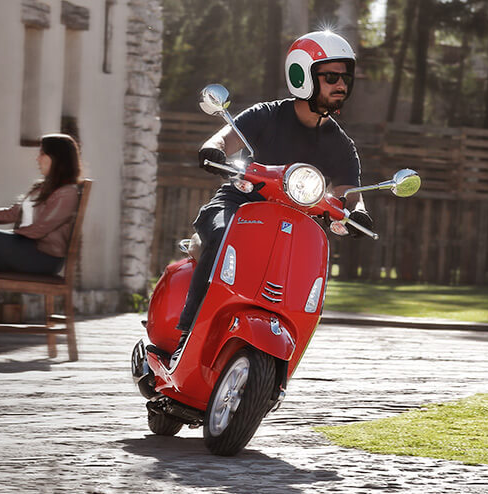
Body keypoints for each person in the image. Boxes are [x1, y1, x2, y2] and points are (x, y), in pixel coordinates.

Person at [159, 30, 373, 370]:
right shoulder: (267, 115)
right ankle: (188, 332)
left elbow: (347, 193)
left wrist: (358, 212)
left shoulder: (342, 146)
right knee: (220, 236)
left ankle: (278, 366)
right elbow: (226, 137)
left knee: (310, 275)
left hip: (296, 224)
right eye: (331, 77)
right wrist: (214, 149)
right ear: (302, 76)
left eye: (345, 78)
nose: (341, 85)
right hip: (241, 205)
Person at [0, 133, 83, 359]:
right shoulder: (41, 187)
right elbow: (12, 213)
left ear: (55, 158)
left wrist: (5, 239)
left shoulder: (67, 193)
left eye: (42, 153)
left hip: (44, 258)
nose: (37, 159)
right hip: (26, 249)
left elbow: (40, 229)